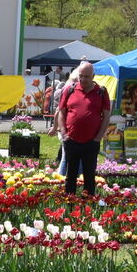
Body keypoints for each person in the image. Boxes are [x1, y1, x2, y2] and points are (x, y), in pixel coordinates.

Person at [52, 62, 109, 196]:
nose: (83, 79)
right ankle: (70, 203)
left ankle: (88, 204)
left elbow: (106, 116)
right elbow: (61, 112)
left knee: (89, 177)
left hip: (91, 141)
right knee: (70, 176)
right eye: (81, 76)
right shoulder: (69, 89)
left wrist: (98, 138)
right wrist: (64, 134)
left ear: (93, 76)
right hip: (71, 140)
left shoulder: (101, 92)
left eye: (86, 77)